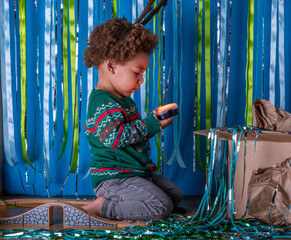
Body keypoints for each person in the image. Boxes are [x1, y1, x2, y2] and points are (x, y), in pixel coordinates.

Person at [81, 17, 182, 221]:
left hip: (134, 173)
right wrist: (153, 123)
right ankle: (103, 207)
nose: (141, 79)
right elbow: (115, 138)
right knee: (161, 205)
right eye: (137, 72)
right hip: (115, 177)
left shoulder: (122, 99)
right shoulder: (103, 102)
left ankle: (142, 207)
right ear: (112, 66)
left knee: (174, 195)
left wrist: (155, 122)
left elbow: (133, 133)